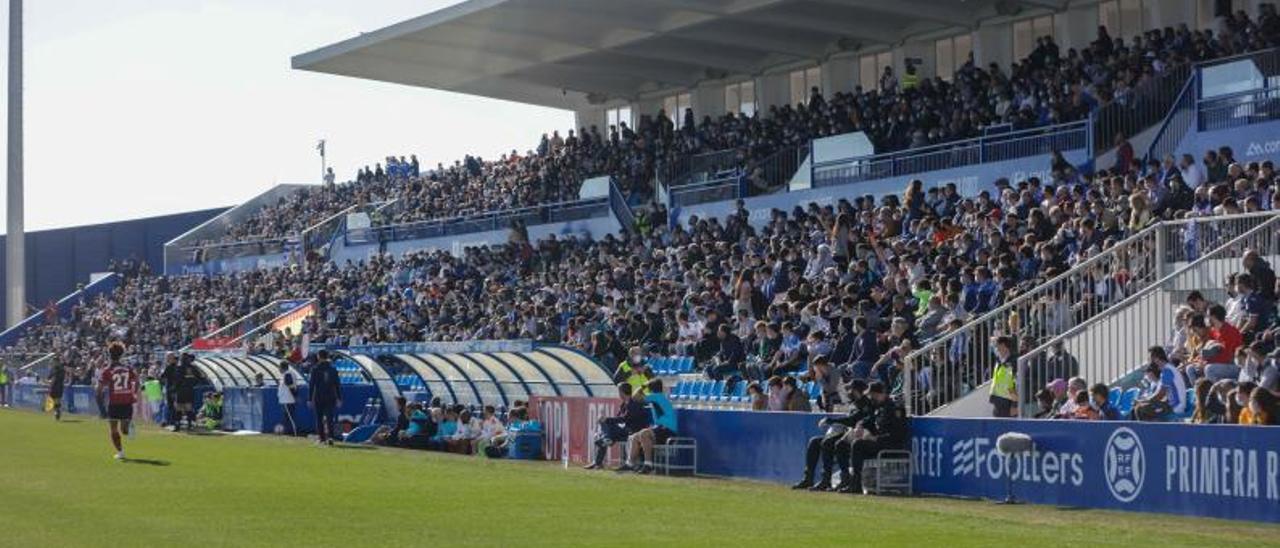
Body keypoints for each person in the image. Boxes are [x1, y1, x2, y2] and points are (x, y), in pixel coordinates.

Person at [793, 380, 870, 491]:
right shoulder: (855, 404)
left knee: (828, 443)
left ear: (857, 390)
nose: (848, 392)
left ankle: (829, 479)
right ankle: (808, 478)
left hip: (857, 436)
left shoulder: (865, 404)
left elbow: (852, 421)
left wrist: (831, 420)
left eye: (850, 389)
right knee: (815, 441)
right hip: (846, 433)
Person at [834, 382, 908, 494]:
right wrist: (860, 425)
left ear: (880, 394)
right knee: (842, 444)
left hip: (890, 445)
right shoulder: (879, 407)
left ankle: (856, 484)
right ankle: (846, 480)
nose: (871, 398)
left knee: (858, 444)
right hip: (878, 443)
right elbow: (870, 419)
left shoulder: (894, 408)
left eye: (873, 395)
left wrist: (875, 438)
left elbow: (897, 434)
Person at [585, 383, 649, 470]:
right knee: (603, 431)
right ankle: (606, 441)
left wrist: (607, 419)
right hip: (623, 431)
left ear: (622, 392)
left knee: (605, 426)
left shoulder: (634, 404)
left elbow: (624, 419)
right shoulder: (623, 405)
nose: (618, 394)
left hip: (632, 431)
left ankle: (602, 452)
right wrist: (607, 420)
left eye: (619, 391)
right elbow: (618, 419)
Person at [623, 378, 678, 474]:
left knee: (644, 433)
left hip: (667, 430)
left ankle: (648, 465)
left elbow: (635, 396)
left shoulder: (656, 396)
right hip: (662, 429)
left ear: (650, 388)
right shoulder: (659, 396)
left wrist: (643, 385)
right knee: (636, 436)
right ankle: (630, 464)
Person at [98, 342, 139, 461]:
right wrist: (134, 393)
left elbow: (99, 389)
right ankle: (130, 425)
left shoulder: (107, 370)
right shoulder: (128, 368)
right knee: (124, 431)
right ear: (121, 355)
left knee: (114, 429)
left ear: (109, 355)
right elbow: (137, 381)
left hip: (114, 402)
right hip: (127, 401)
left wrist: (101, 407)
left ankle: (121, 452)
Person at [1133, 346, 1187, 421]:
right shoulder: (1166, 370)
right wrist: (1144, 400)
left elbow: (1160, 394)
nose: (1149, 362)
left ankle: (1151, 431)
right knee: (1139, 407)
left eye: (1150, 359)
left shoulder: (1167, 371)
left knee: (1142, 409)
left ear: (1156, 358)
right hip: (1170, 404)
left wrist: (1143, 401)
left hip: (1176, 406)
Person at [308, 350, 342, 445]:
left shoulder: (315, 369)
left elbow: (312, 385)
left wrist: (310, 399)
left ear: (319, 356)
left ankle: (322, 438)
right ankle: (331, 437)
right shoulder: (333, 369)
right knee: (329, 417)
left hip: (319, 396)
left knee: (319, 418)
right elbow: (337, 385)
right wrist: (339, 398)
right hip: (331, 396)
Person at [989, 336, 1017, 418]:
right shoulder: (998, 360)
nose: (996, 348)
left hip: (1008, 401)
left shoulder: (1014, 361)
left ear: (1003, 345)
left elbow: (1014, 383)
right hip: (997, 400)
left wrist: (1015, 405)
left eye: (997, 345)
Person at [172, 354, 200, 431]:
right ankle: (189, 425)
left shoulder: (179, 368)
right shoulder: (193, 368)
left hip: (180, 390)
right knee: (189, 407)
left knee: (178, 408)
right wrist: (192, 384)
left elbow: (177, 379)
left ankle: (177, 425)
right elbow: (199, 378)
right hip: (189, 390)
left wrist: (174, 389)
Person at [277, 360, 300, 436]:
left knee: (289, 417)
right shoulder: (287, 374)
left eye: (279, 367)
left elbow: (290, 386)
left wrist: (295, 396)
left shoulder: (287, 374)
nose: (278, 369)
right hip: (287, 399)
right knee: (287, 417)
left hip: (288, 399)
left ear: (282, 367)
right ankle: (288, 432)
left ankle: (294, 432)